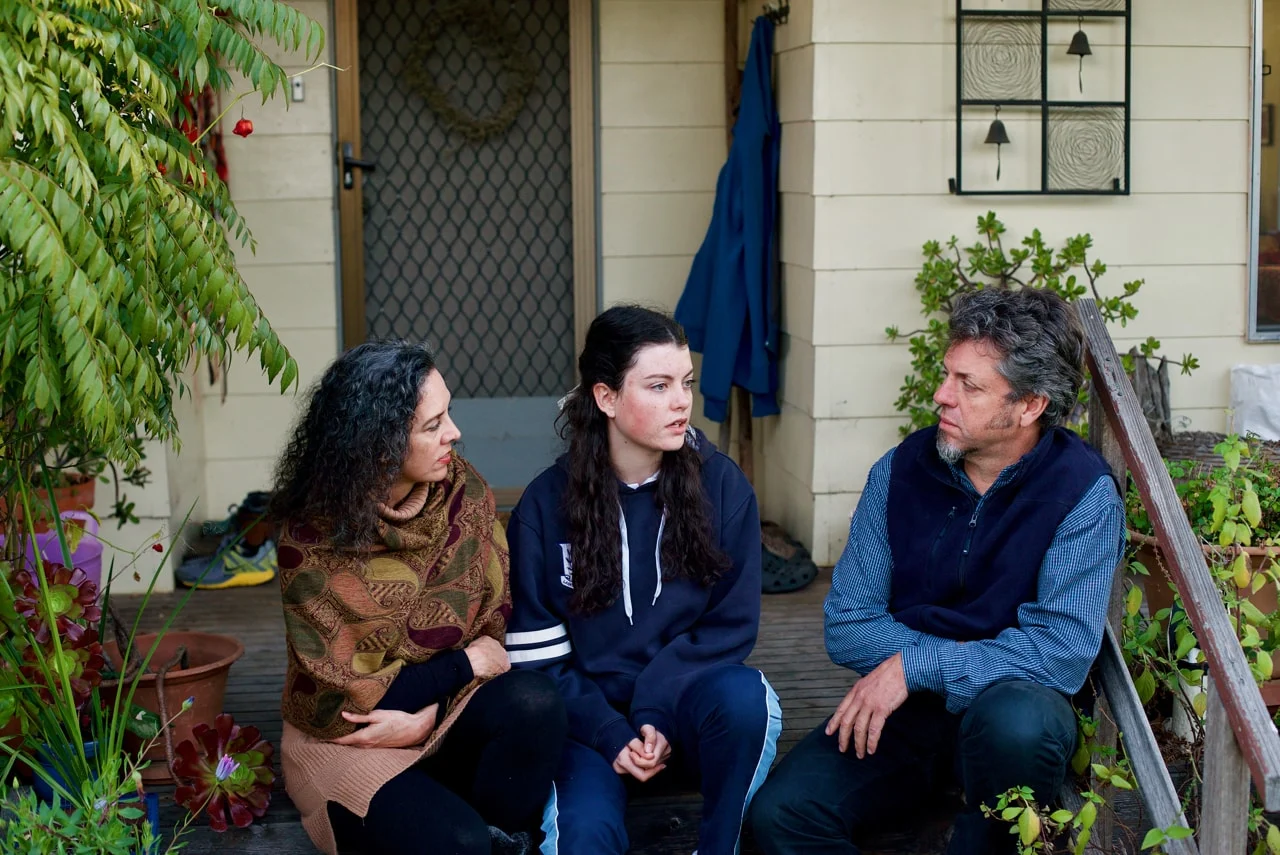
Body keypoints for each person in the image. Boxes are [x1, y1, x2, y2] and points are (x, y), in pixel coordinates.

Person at [749, 288, 1127, 855]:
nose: (940, 396)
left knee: (1019, 721)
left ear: (1030, 405)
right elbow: (848, 624)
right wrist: (915, 672)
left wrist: (917, 660)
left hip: (1010, 717)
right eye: (947, 375)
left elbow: (1059, 654)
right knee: (781, 818)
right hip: (902, 713)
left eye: (968, 385)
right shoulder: (900, 471)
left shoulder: (1080, 493)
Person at [505, 305, 782, 855]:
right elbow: (537, 663)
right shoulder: (544, 506)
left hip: (686, 704)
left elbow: (729, 630)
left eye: (686, 383)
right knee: (584, 835)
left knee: (748, 700)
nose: (682, 401)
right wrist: (610, 731)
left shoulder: (722, 488)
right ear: (606, 397)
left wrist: (655, 710)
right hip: (588, 724)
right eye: (658, 386)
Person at [271, 341, 567, 855]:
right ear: (378, 445)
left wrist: (429, 710)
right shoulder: (310, 539)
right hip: (347, 742)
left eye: (447, 413)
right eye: (432, 425)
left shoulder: (463, 494)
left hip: (442, 715)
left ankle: (504, 837)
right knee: (458, 843)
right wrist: (461, 666)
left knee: (537, 703)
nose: (454, 432)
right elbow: (344, 698)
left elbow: (491, 647)